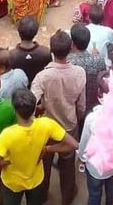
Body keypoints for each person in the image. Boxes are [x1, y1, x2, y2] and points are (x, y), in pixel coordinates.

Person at [0, 88, 78, 205]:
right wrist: (48, 149)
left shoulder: (7, 134)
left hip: (12, 183)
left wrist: (3, 163)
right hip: (36, 179)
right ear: (35, 108)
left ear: (14, 110)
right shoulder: (47, 124)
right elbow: (73, 145)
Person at [30, 31, 86, 205]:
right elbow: (81, 105)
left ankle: (42, 195)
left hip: (47, 128)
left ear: (51, 51)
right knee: (68, 163)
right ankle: (67, 196)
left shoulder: (43, 77)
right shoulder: (79, 72)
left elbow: (31, 102)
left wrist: (40, 109)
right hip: (69, 125)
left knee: (44, 162)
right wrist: (79, 118)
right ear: (70, 49)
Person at [68, 23, 107, 112]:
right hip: (94, 104)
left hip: (75, 107)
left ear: (72, 43)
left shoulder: (69, 63)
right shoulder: (99, 59)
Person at [9, 16, 51, 85]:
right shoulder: (45, 52)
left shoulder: (11, 55)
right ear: (36, 32)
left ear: (18, 31)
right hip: (39, 86)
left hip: (20, 90)